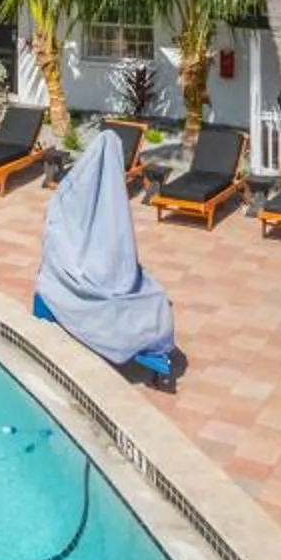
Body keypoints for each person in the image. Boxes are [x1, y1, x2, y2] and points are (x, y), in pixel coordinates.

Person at [32, 128, 185, 390]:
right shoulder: (113, 201)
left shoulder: (75, 189)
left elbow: (59, 220)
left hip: (84, 265)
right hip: (99, 264)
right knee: (149, 295)